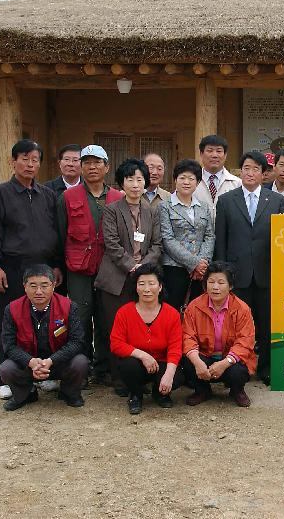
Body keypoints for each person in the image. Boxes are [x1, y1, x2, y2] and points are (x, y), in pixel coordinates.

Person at [0, 139, 62, 399]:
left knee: (45, 321)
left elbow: (56, 232)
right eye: (25, 158)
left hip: (43, 268)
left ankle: (43, 372)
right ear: (13, 161)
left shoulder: (47, 195)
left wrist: (56, 265)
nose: (30, 164)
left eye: (35, 159)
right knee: (9, 319)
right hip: (13, 268)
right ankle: (5, 375)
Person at [214, 151, 284, 384]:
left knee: (265, 323)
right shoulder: (226, 200)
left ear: (264, 173)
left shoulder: (276, 201)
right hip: (237, 273)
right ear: (240, 171)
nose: (251, 173)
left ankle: (265, 366)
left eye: (256, 168)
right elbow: (221, 239)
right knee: (236, 325)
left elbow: (283, 240)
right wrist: (223, 275)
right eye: (246, 168)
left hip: (267, 273)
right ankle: (239, 366)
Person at [94, 158, 163, 391]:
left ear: (146, 183)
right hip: (116, 278)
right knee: (116, 328)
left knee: (141, 328)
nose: (135, 184)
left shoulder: (152, 211)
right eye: (130, 179)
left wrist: (143, 267)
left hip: (143, 278)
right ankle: (119, 378)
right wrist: (131, 266)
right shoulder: (112, 210)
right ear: (121, 184)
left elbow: (157, 244)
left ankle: (141, 375)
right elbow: (111, 244)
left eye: (139, 179)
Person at [57, 145, 123, 386]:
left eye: (97, 162)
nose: (92, 167)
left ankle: (105, 368)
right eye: (87, 163)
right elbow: (60, 235)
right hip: (78, 269)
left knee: (107, 319)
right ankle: (81, 368)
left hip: (109, 269)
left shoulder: (118, 197)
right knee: (80, 318)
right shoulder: (67, 197)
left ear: (107, 167)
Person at [0, 264, 88, 411]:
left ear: (53, 286)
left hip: (57, 362)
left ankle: (69, 392)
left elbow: (77, 342)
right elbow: (8, 345)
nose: (39, 291)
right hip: (29, 363)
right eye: (33, 286)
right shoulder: (12, 309)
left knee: (81, 362)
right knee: (6, 369)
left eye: (44, 285)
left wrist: (51, 361)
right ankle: (25, 394)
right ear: (24, 287)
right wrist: (31, 362)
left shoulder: (69, 306)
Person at [109, 263, 183, 414]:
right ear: (136, 287)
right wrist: (142, 355)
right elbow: (116, 344)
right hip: (136, 364)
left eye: (152, 283)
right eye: (141, 284)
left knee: (178, 375)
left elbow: (175, 347)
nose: (147, 289)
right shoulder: (124, 312)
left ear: (160, 287)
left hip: (161, 363)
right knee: (128, 365)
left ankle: (160, 392)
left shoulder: (172, 314)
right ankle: (135, 395)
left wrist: (169, 375)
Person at [181, 262, 256, 407]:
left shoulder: (242, 309)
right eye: (211, 282)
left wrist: (224, 363)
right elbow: (187, 336)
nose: (215, 287)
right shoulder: (194, 307)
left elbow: (245, 341)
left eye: (221, 282)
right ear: (205, 284)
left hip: (229, 359)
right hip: (205, 357)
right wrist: (197, 362)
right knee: (188, 361)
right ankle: (202, 391)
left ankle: (237, 390)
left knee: (238, 371)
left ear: (231, 286)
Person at [157, 159, 214, 311]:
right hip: (174, 268)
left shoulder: (204, 207)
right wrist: (194, 263)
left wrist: (202, 263)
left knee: (197, 311)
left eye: (191, 178)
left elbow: (209, 236)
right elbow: (167, 239)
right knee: (173, 310)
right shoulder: (164, 206)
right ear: (175, 180)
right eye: (182, 178)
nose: (186, 182)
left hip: (200, 271)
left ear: (197, 182)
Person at [193, 135, 242, 215]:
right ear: (201, 154)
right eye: (210, 151)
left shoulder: (237, 183)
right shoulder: (192, 182)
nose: (214, 155)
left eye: (219, 151)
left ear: (225, 155)